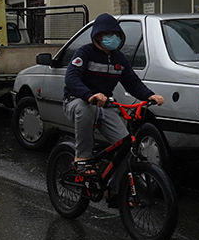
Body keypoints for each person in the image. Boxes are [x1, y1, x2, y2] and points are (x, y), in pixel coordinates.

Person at [64, 13, 165, 173]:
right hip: (77, 101)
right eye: (108, 34)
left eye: (116, 34)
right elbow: (71, 78)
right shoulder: (85, 52)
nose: (113, 38)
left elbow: (132, 82)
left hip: (105, 106)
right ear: (97, 36)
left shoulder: (119, 59)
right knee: (85, 109)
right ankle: (82, 158)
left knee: (125, 145)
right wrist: (89, 95)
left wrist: (149, 95)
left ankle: (116, 183)